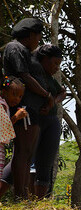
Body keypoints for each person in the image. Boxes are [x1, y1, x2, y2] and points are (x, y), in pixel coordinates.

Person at [1, 18, 51, 199]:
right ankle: (20, 195)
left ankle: (22, 195)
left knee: (28, 153)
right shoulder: (15, 48)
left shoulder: (26, 51)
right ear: (30, 35)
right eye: (38, 37)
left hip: (33, 109)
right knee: (23, 151)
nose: (39, 41)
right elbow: (24, 75)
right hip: (25, 108)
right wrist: (46, 95)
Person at [29, 44, 66, 198]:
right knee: (29, 162)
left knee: (45, 164)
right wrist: (47, 98)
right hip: (34, 121)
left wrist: (54, 101)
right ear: (44, 60)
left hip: (51, 121)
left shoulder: (50, 79)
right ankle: (26, 198)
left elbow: (62, 92)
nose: (57, 68)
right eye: (55, 63)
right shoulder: (32, 76)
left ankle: (39, 202)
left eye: (59, 64)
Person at [0, 76, 28, 175]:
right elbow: (2, 129)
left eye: (20, 96)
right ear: (4, 92)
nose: (17, 99)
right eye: (14, 94)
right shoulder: (2, 105)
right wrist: (16, 117)